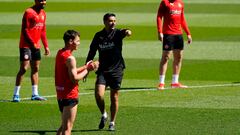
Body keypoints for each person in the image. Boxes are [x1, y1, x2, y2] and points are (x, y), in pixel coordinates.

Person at [85, 13, 132, 131]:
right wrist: (87, 68)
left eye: (115, 21)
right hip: (103, 70)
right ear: (104, 22)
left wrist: (128, 32)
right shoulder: (98, 36)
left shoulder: (117, 33)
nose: (113, 23)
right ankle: (104, 114)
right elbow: (91, 52)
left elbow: (124, 31)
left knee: (114, 97)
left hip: (117, 69)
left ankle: (112, 122)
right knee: (98, 94)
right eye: (111, 21)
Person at [55, 30, 98, 135]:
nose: (79, 43)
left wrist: (85, 67)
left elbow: (70, 70)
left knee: (64, 126)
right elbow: (74, 78)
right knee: (67, 128)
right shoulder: (71, 58)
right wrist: (88, 70)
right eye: (77, 41)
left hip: (60, 94)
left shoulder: (60, 52)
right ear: (71, 41)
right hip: (70, 95)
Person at [12, 0, 50, 102]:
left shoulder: (43, 13)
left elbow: (43, 31)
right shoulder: (28, 12)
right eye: (41, 0)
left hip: (36, 46)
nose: (44, 2)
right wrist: (31, 43)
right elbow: (25, 30)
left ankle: (35, 94)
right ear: (36, 0)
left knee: (35, 68)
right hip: (26, 45)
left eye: (45, 0)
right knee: (24, 68)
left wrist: (46, 46)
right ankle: (16, 94)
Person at [156, 0, 192, 90]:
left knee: (179, 57)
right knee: (166, 57)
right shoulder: (165, 2)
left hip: (178, 34)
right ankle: (161, 83)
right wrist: (160, 31)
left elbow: (182, 19)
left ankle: (175, 82)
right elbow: (159, 17)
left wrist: (188, 33)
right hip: (168, 34)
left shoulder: (180, 3)